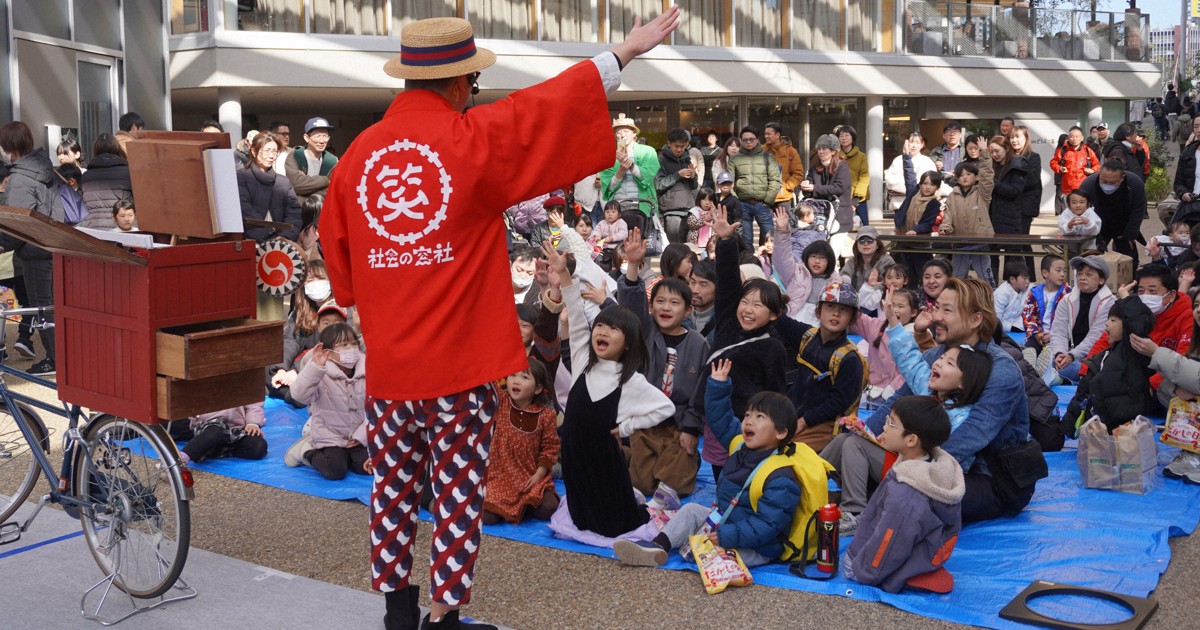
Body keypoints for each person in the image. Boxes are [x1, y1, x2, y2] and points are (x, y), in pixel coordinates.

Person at [319, 11, 681, 629]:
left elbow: (339, 257)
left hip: (390, 371)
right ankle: (442, 615)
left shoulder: (356, 158)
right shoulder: (470, 140)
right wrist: (624, 51)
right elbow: (545, 109)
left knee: (392, 491)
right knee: (458, 495)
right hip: (459, 367)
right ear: (461, 84)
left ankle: (396, 611)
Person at [865, 278, 1040, 523]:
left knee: (907, 492)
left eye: (947, 310)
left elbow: (973, 434)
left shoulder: (1001, 370)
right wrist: (864, 435)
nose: (937, 317)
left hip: (992, 477)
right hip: (935, 461)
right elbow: (899, 401)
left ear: (976, 319)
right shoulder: (936, 356)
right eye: (937, 308)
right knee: (857, 462)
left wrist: (916, 468)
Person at [614, 360, 805, 568]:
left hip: (760, 546)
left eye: (760, 417)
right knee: (691, 510)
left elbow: (768, 526)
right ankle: (656, 547)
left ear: (781, 432)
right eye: (748, 414)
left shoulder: (781, 477)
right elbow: (720, 419)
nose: (749, 421)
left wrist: (725, 535)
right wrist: (718, 386)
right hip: (728, 522)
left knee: (711, 554)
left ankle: (706, 551)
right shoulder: (740, 444)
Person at [548, 240, 674, 533]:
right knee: (582, 516)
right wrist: (565, 277)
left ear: (628, 343)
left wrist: (627, 426)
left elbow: (664, 408)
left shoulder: (629, 379)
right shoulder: (582, 360)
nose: (603, 331)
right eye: (601, 326)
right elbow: (578, 317)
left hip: (604, 458)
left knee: (615, 523)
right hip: (574, 455)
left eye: (613, 329)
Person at [692, 204, 790, 480]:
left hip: (749, 425)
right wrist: (724, 242)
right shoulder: (728, 322)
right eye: (745, 302)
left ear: (774, 314)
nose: (747, 309)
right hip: (716, 418)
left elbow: (776, 392)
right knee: (721, 472)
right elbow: (727, 284)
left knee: (746, 477)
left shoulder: (774, 348)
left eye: (757, 305)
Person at [617, 229, 708, 499]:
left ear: (688, 310)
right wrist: (633, 265)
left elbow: (699, 393)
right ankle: (638, 487)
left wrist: (691, 428)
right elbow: (631, 304)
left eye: (674, 303)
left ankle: (669, 490)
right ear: (652, 306)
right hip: (645, 420)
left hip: (677, 423)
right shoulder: (646, 331)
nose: (666, 308)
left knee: (681, 458)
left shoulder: (698, 344)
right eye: (660, 302)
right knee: (642, 478)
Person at [843, 395, 964, 593]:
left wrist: (862, 571)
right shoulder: (930, 465)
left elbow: (890, 543)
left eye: (891, 423)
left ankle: (912, 575)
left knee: (868, 561)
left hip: (900, 556)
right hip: (928, 547)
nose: (884, 427)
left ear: (911, 440)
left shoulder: (906, 496)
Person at [1080, 264, 1192, 399]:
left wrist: (1149, 385)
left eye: (1152, 291)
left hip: (1159, 385)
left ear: (1172, 295)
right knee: (1073, 368)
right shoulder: (1134, 311)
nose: (1146, 296)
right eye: (1141, 291)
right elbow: (1105, 340)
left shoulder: (1187, 317)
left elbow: (1185, 360)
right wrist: (1085, 372)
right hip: (1128, 376)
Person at [0, 121, 58, 375]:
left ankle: (55, 359)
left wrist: (2, 245)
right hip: (55, 245)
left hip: (35, 251)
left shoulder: (20, 178)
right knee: (53, 306)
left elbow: (17, 224)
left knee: (43, 308)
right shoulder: (46, 168)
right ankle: (60, 357)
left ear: (9, 146)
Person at [287, 323, 371, 481]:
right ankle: (307, 450)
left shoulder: (366, 371)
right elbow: (298, 395)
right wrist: (315, 368)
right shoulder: (320, 373)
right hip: (330, 436)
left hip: (356, 437)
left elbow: (374, 409)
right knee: (335, 471)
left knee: (365, 467)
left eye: (354, 343)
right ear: (329, 352)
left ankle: (348, 458)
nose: (351, 348)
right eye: (344, 345)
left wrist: (361, 436)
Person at [482, 359, 560, 525]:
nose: (516, 380)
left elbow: (550, 448)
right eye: (513, 375)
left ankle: (523, 505)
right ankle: (517, 507)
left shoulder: (546, 415)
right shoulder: (502, 402)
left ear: (538, 388)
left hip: (529, 477)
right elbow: (491, 376)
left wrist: (538, 475)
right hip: (501, 477)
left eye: (525, 377)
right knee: (486, 517)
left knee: (549, 508)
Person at [1064, 296, 1155, 433]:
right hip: (1103, 423)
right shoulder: (1108, 353)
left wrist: (1126, 299)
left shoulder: (1135, 351)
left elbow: (1138, 320)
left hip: (1122, 425)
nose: (1107, 324)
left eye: (1113, 320)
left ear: (1128, 325)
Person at [1042, 256, 1115, 386]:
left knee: (1077, 368)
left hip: (1094, 357)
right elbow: (1058, 332)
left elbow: (1095, 337)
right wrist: (1060, 354)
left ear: (1101, 280)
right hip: (1068, 355)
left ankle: (1056, 376)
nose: (1082, 277)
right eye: (1079, 273)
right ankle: (1057, 374)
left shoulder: (1110, 304)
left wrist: (1071, 355)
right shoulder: (1067, 300)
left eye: (1089, 274)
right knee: (1052, 359)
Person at [852, 288, 926, 407]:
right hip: (870, 392)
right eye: (891, 305)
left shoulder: (920, 336)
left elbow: (915, 371)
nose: (894, 310)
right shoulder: (876, 326)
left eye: (901, 306)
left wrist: (893, 388)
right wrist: (868, 288)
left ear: (913, 312)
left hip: (898, 397)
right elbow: (854, 316)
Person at [940, 142, 996, 286]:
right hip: (960, 243)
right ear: (957, 179)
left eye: (968, 174)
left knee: (985, 277)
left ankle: (991, 301)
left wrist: (984, 153)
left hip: (981, 242)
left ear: (976, 177)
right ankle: (956, 302)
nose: (964, 177)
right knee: (957, 277)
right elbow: (948, 215)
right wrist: (945, 227)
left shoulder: (982, 193)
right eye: (961, 175)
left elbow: (988, 177)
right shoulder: (953, 195)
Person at [1075, 159, 1146, 260]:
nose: (1108, 185)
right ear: (1099, 174)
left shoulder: (1135, 184)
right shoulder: (1088, 185)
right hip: (1097, 223)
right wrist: (1096, 236)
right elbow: (1081, 212)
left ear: (1122, 178)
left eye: (1113, 183)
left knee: (1129, 259)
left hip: (1124, 223)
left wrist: (1131, 233)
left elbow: (1138, 210)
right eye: (1104, 181)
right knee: (1092, 259)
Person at [601, 114, 659, 234]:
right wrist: (621, 171)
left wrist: (631, 166)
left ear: (634, 134)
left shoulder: (648, 151)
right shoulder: (608, 155)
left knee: (643, 242)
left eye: (626, 131)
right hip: (618, 207)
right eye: (618, 132)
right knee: (618, 245)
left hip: (642, 205)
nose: (622, 135)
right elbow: (609, 187)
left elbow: (648, 177)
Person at [892, 147, 943, 281]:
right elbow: (909, 176)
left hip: (921, 245)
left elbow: (928, 223)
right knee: (906, 276)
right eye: (925, 183)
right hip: (904, 242)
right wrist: (906, 158)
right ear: (920, 184)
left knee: (922, 276)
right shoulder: (913, 194)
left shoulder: (934, 204)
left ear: (937, 187)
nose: (927, 187)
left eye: (932, 185)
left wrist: (915, 230)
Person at [728, 125, 781, 246]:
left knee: (769, 238)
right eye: (745, 140)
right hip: (742, 204)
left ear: (757, 140)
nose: (748, 142)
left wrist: (768, 200)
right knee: (745, 239)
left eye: (751, 139)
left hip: (762, 203)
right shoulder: (735, 159)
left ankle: (766, 263)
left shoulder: (767, 157)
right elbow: (730, 182)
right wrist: (735, 200)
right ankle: (748, 262)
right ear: (741, 141)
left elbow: (775, 179)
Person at [174, 402, 268, 465]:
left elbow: (254, 403)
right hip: (207, 423)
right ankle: (177, 463)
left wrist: (253, 423)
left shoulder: (245, 376)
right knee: (214, 432)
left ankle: (208, 449)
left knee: (259, 446)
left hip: (234, 428)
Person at [655, 128, 702, 245]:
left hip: (689, 209)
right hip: (671, 212)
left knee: (688, 248)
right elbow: (658, 184)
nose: (679, 149)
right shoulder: (661, 160)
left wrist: (693, 176)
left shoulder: (687, 159)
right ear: (669, 143)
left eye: (683, 146)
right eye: (676, 146)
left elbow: (694, 186)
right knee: (675, 247)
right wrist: (677, 175)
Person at [78, 133, 133, 230]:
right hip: (123, 227)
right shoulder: (128, 172)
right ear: (116, 148)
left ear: (95, 150)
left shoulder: (86, 176)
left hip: (94, 228)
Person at [800, 134, 853, 234]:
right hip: (819, 216)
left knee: (835, 246)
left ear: (833, 151)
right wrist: (805, 187)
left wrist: (814, 188)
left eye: (824, 148)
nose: (820, 152)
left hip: (839, 216)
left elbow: (838, 188)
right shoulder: (814, 167)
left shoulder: (842, 166)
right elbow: (809, 190)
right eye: (819, 149)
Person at [1021, 257, 1070, 358]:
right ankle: (1031, 363)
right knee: (1028, 352)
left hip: (1060, 336)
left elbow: (1070, 321)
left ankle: (1047, 360)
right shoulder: (1034, 293)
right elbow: (1028, 316)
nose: (1062, 274)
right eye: (1058, 270)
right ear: (1045, 273)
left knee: (1057, 353)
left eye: (1064, 271)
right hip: (1038, 336)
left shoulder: (1068, 294)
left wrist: (1053, 335)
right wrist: (1036, 333)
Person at [285, 116, 339, 205]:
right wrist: (326, 181)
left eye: (325, 136)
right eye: (318, 136)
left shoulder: (332, 161)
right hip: (297, 209)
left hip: (321, 210)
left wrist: (307, 187)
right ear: (306, 138)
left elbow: (333, 188)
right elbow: (296, 184)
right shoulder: (295, 156)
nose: (322, 141)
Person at [841, 226, 894, 298]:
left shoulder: (886, 261)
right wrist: (844, 280)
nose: (865, 244)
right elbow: (844, 274)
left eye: (870, 240)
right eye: (861, 241)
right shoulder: (852, 261)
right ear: (857, 244)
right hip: (855, 301)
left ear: (877, 245)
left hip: (879, 300)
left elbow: (889, 284)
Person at [763, 122, 804, 211]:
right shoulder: (760, 151)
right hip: (764, 197)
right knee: (765, 225)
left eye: (769, 134)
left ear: (777, 135)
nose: (766, 136)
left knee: (783, 224)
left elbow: (798, 173)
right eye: (765, 134)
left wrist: (787, 187)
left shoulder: (791, 151)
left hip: (783, 198)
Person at [836, 124, 870, 228]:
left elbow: (864, 177)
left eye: (847, 135)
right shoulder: (835, 156)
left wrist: (856, 198)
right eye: (841, 136)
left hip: (858, 199)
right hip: (840, 197)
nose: (844, 138)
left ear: (853, 137)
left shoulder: (862, 156)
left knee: (863, 228)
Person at [1052, 126, 1099, 202]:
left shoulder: (1088, 151)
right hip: (1067, 187)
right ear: (1068, 138)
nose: (1074, 139)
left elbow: (1097, 165)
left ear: (1082, 138)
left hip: (1083, 187)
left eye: (1077, 137)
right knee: (1069, 210)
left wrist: (1092, 170)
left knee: (1082, 210)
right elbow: (1053, 162)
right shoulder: (1063, 150)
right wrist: (1059, 168)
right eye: (1072, 137)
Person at [993, 261, 1030, 333]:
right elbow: (996, 318)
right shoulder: (1002, 293)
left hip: (1017, 324)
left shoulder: (1025, 289)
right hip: (1002, 326)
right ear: (1012, 279)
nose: (1027, 282)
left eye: (1028, 278)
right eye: (1025, 278)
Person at [930, 121, 964, 187]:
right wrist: (935, 167)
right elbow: (929, 170)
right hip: (941, 185)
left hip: (962, 185)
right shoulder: (935, 151)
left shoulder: (966, 150)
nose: (952, 134)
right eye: (948, 132)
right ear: (943, 136)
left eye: (955, 132)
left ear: (960, 135)